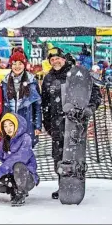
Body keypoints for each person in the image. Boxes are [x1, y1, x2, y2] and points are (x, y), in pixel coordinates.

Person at [41, 47, 101, 199]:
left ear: (64, 59)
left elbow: (94, 92)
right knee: (58, 157)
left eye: (57, 59)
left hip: (75, 124)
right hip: (56, 124)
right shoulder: (48, 78)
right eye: (52, 60)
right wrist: (47, 123)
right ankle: (63, 185)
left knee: (74, 155)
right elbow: (45, 103)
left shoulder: (76, 74)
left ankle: (76, 182)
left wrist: (91, 107)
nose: (55, 62)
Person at [0, 113, 39, 207]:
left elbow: (21, 157)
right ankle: (14, 190)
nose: (8, 128)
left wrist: (1, 170)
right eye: (5, 126)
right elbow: (2, 158)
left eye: (11, 125)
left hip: (27, 176)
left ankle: (21, 192)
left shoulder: (25, 138)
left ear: (17, 125)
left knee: (18, 166)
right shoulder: (3, 142)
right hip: (12, 176)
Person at [1, 51, 42, 147]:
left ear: (24, 65)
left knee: (26, 152)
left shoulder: (32, 81)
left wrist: (38, 126)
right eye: (14, 63)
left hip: (27, 122)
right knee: (11, 151)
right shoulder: (5, 82)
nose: (17, 66)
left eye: (20, 63)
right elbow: (2, 105)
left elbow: (37, 106)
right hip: (10, 124)